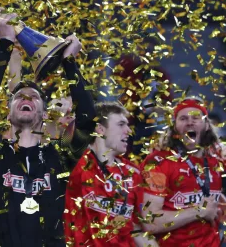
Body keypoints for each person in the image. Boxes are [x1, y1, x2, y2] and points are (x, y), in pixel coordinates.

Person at [0, 8, 96, 246]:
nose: (26, 99)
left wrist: (69, 62)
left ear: (43, 112)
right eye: (19, 96)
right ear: (8, 113)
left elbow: (88, 117)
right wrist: (5, 43)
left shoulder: (60, 156)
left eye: (34, 97)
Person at [64, 101, 158, 246]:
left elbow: (135, 227)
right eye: (121, 124)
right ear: (100, 129)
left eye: (127, 125)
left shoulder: (132, 172)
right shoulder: (78, 162)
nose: (128, 130)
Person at [141, 97, 224, 246]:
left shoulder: (218, 160)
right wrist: (199, 211)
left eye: (196, 117)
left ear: (206, 125)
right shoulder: (158, 163)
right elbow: (149, 221)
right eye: (183, 118)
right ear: (175, 127)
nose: (190, 122)